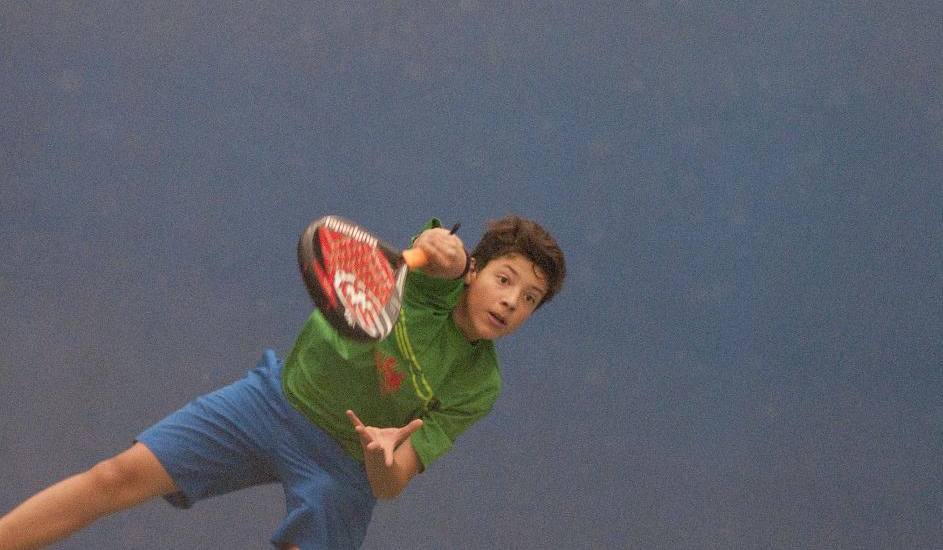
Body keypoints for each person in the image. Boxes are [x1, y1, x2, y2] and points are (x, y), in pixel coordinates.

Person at [0, 215, 565, 550]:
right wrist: (447, 252)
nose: (511, 301)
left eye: (529, 299)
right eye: (504, 279)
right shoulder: (435, 285)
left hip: (344, 470)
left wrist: (381, 456)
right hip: (273, 403)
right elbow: (440, 256)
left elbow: (392, 483)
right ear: (475, 273)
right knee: (115, 476)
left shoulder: (479, 385)